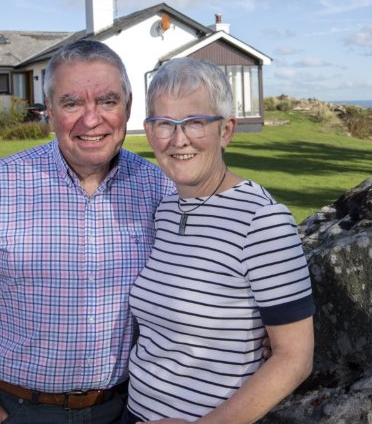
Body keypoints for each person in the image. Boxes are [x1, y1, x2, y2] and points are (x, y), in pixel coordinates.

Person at [0, 40, 175, 424]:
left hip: (128, 407)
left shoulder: (159, 187)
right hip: (19, 410)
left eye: (107, 101)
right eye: (72, 103)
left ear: (127, 107)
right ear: (49, 113)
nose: (91, 120)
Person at [125, 58, 314, 424]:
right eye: (164, 124)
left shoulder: (262, 221)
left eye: (195, 123)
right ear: (149, 132)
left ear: (226, 130)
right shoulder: (166, 210)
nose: (179, 140)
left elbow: (295, 357)